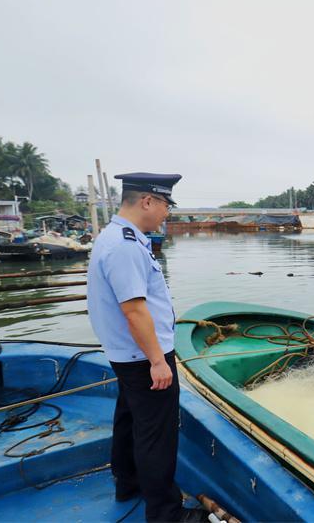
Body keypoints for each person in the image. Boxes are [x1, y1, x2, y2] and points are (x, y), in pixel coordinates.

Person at [87, 172, 208, 522]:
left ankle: (128, 483)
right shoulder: (125, 246)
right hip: (144, 356)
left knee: (128, 418)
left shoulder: (117, 237)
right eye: (166, 205)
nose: (167, 213)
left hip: (128, 355)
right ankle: (166, 514)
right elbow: (135, 310)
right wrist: (158, 360)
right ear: (147, 201)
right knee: (156, 435)